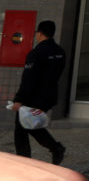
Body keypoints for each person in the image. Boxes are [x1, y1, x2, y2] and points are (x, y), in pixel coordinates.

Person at [12, 20, 66, 165]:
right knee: (31, 125)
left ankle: (25, 161)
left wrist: (19, 99)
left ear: (40, 33)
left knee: (21, 129)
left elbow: (28, 79)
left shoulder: (36, 53)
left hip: (33, 97)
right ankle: (55, 148)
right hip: (49, 97)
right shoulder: (60, 52)